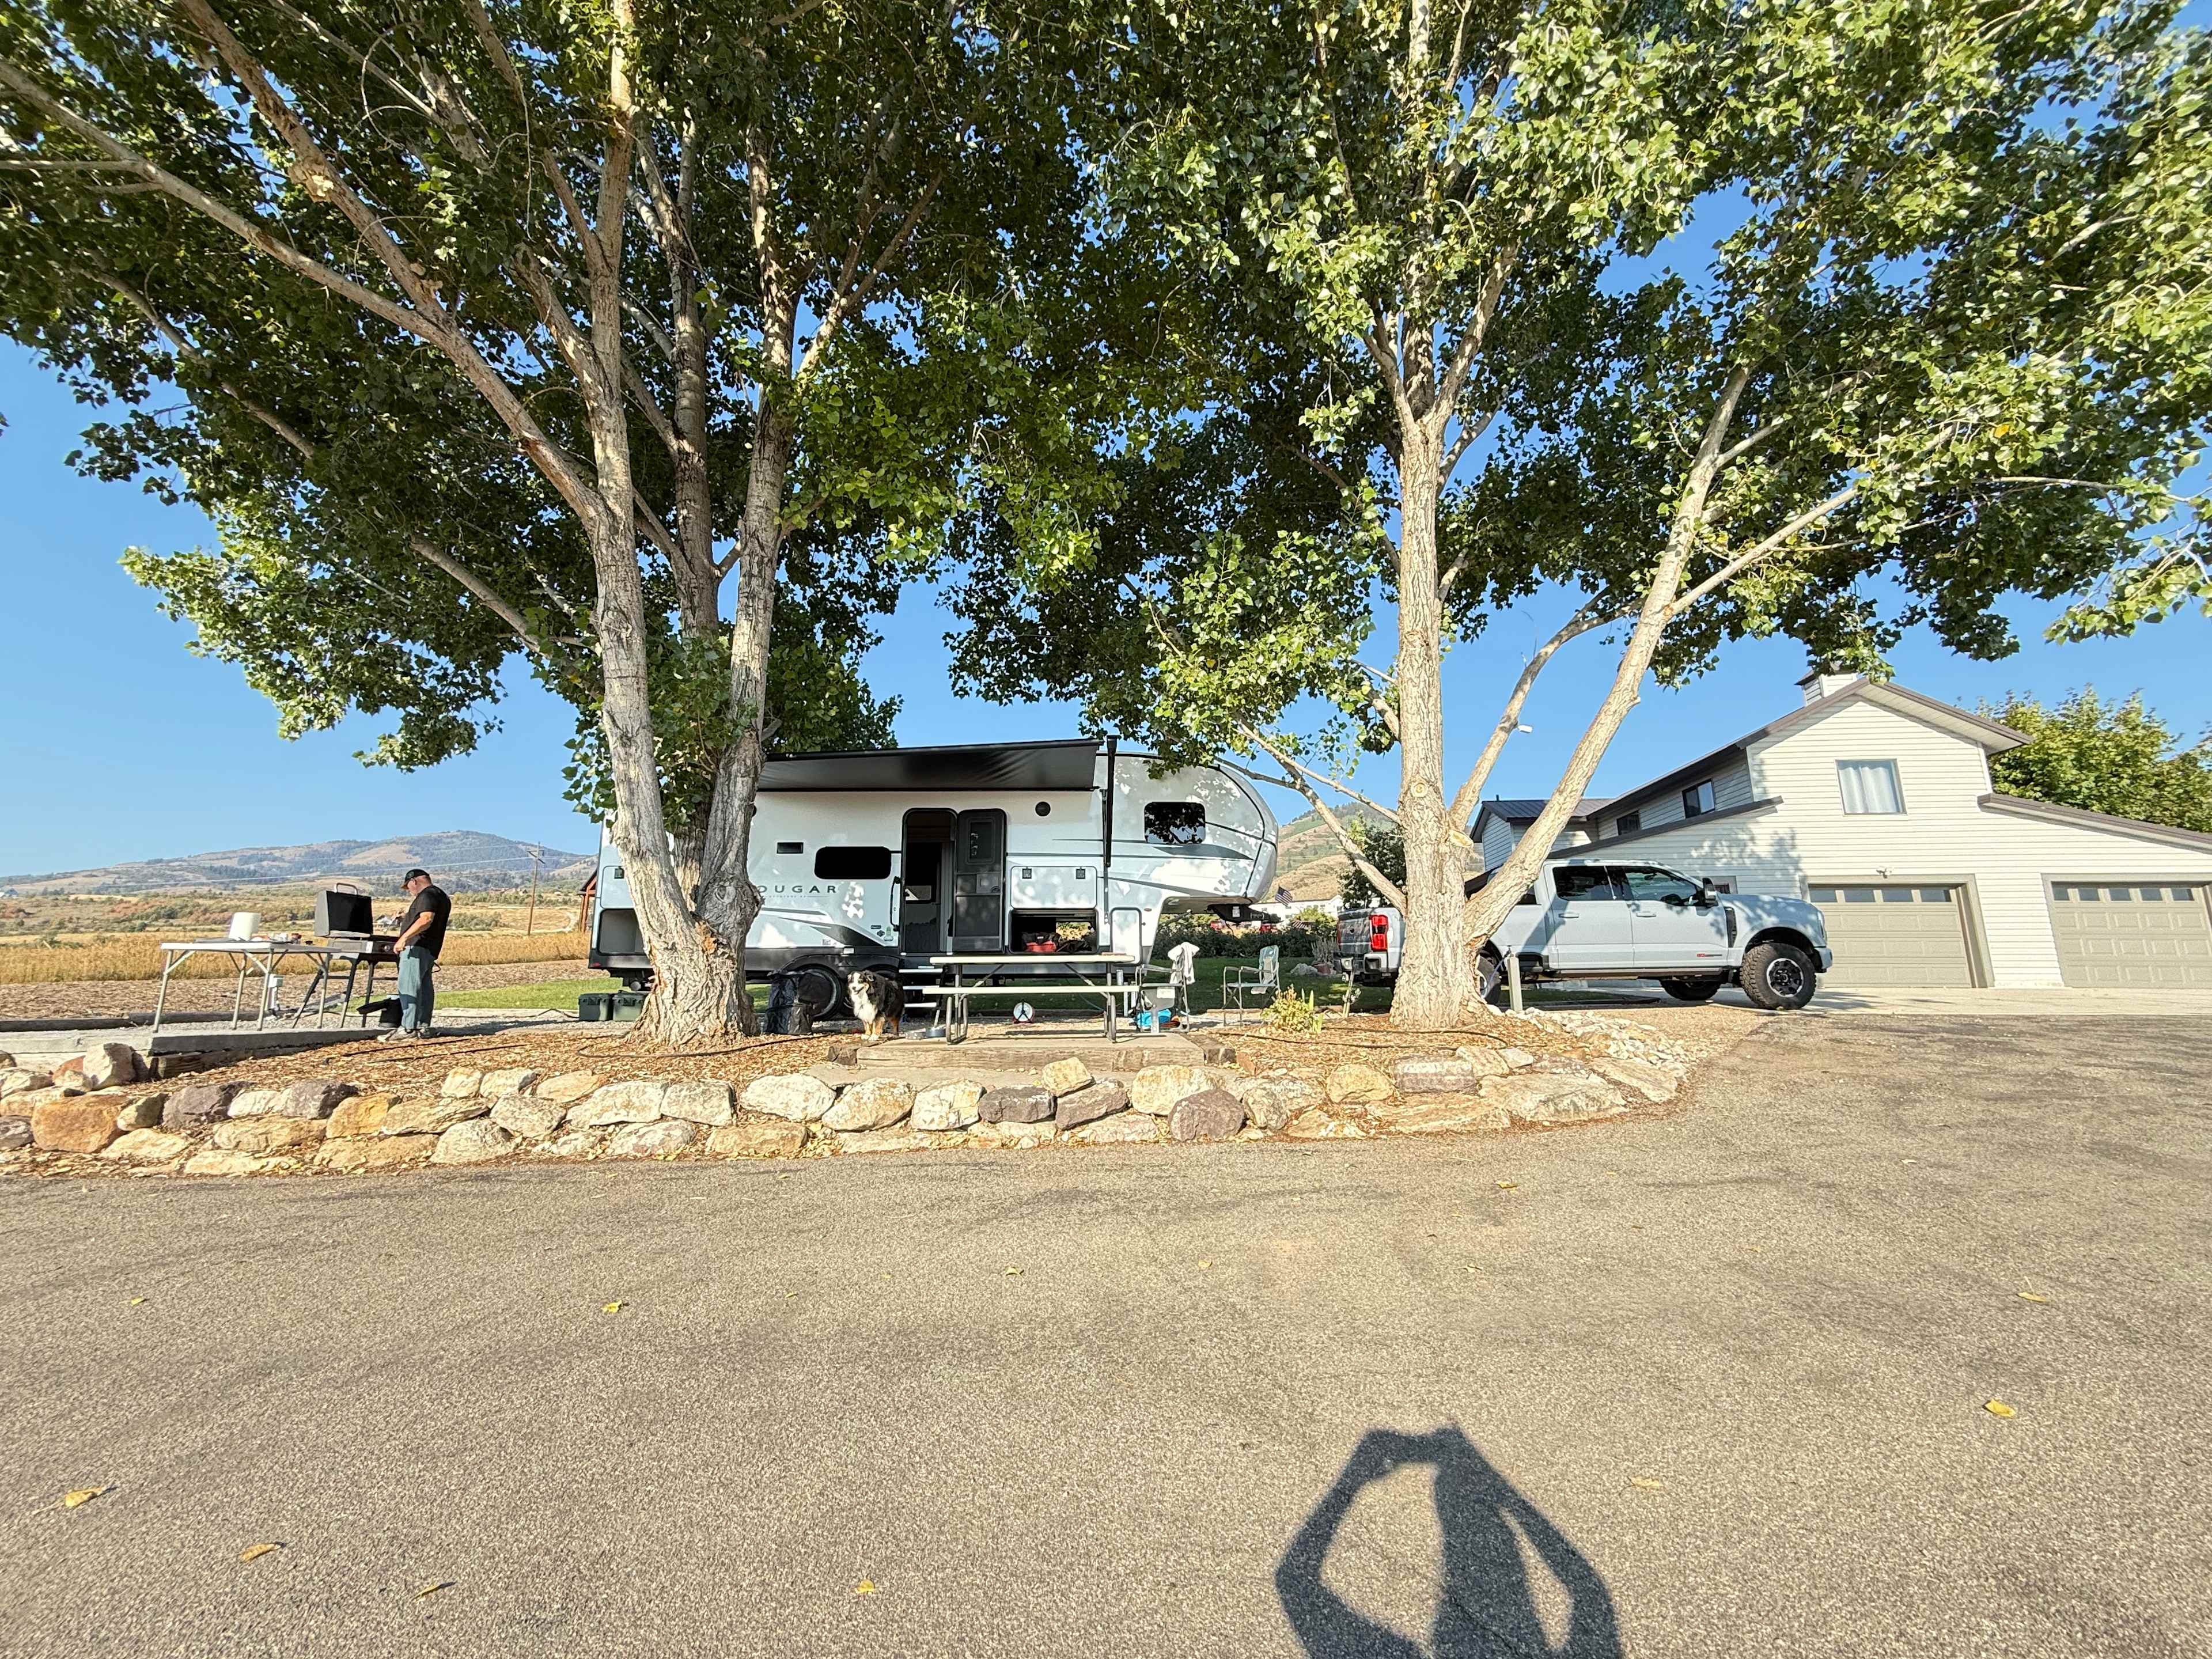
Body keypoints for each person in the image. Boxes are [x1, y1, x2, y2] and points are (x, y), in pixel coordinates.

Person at [381, 867, 451, 1041]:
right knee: (425, 989)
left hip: (416, 947)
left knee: (409, 987)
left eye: (409, 887)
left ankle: (408, 1028)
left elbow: (426, 919)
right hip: (430, 949)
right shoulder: (441, 896)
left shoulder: (427, 895)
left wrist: (403, 938)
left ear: (414, 881)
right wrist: (406, 917)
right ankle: (422, 1027)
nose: (410, 892)